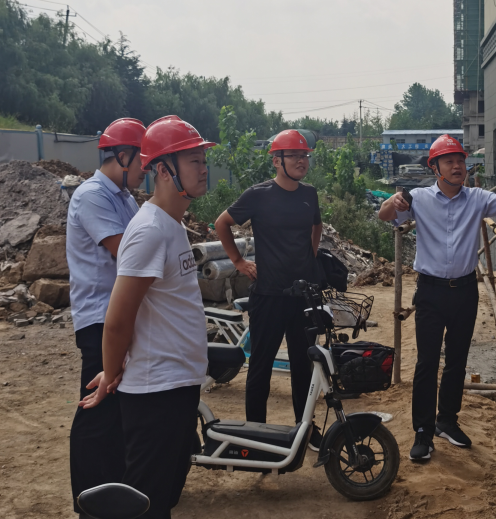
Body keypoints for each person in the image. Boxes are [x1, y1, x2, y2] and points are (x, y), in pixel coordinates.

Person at [79, 115, 213, 519]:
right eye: (193, 161)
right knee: (148, 502)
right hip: (156, 391)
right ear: (163, 170)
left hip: (177, 384)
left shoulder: (172, 224)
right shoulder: (149, 230)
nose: (204, 169)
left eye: (202, 160)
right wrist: (110, 373)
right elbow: (118, 318)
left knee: (164, 496)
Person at [377, 134, 496, 462]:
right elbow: (385, 215)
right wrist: (393, 203)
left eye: (460, 160)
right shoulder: (417, 198)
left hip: (464, 291)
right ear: (436, 168)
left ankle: (447, 421)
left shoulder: (477, 198)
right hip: (430, 291)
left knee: (457, 360)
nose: (458, 165)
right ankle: (423, 430)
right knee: (427, 362)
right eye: (449, 161)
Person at [213, 129, 323, 450]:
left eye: (304, 156)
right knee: (260, 366)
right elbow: (222, 223)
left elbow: (316, 227)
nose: (302, 161)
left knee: (304, 367)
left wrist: (310, 257)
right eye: (294, 156)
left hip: (302, 296)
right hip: (269, 296)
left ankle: (305, 430)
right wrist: (237, 261)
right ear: (277, 161)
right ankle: (255, 436)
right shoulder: (257, 195)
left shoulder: (310, 194)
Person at [66, 117, 145, 516]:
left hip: (121, 313)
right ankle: (89, 499)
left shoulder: (126, 196)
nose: (147, 167)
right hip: (99, 318)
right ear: (123, 155)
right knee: (97, 410)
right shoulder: (92, 195)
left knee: (116, 409)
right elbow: (126, 251)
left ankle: (114, 489)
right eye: (142, 158)